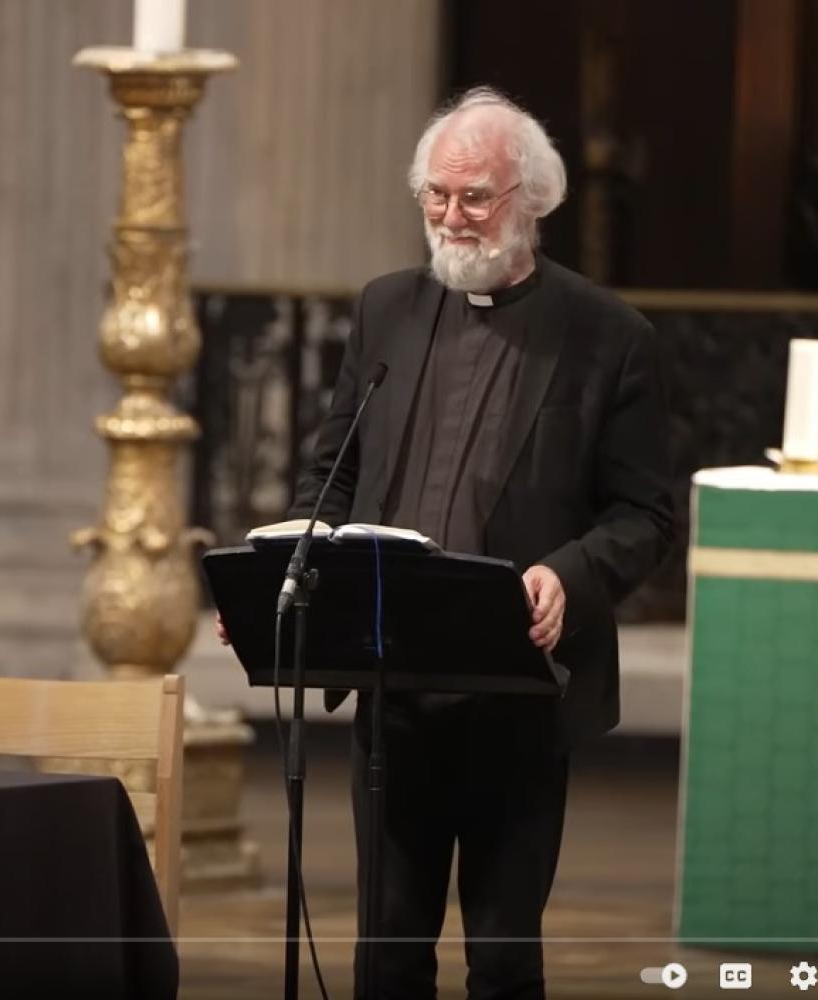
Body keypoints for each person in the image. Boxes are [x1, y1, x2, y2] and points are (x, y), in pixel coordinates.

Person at [219, 86, 673, 998]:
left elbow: (646, 513)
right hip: (396, 683)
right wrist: (282, 577)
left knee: (503, 951)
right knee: (386, 947)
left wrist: (567, 576)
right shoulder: (386, 310)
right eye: (436, 194)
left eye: (476, 197)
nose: (452, 217)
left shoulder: (607, 337)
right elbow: (331, 479)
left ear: (532, 199)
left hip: (520, 691)